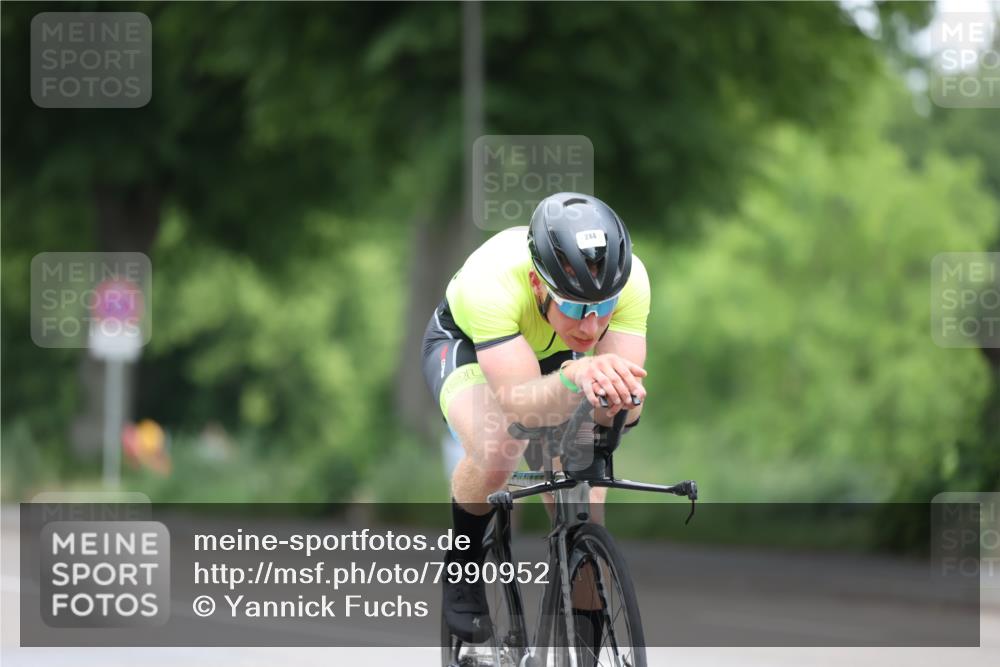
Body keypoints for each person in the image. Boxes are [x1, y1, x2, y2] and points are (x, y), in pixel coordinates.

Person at [421, 192, 649, 643]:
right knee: (499, 448)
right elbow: (523, 409)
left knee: (584, 494)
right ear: (538, 282)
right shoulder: (493, 284)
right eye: (576, 307)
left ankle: (584, 630)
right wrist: (577, 376)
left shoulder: (631, 280)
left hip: (557, 360)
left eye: (604, 308)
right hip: (469, 345)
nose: (591, 326)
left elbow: (628, 408)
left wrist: (608, 395)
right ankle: (464, 563)